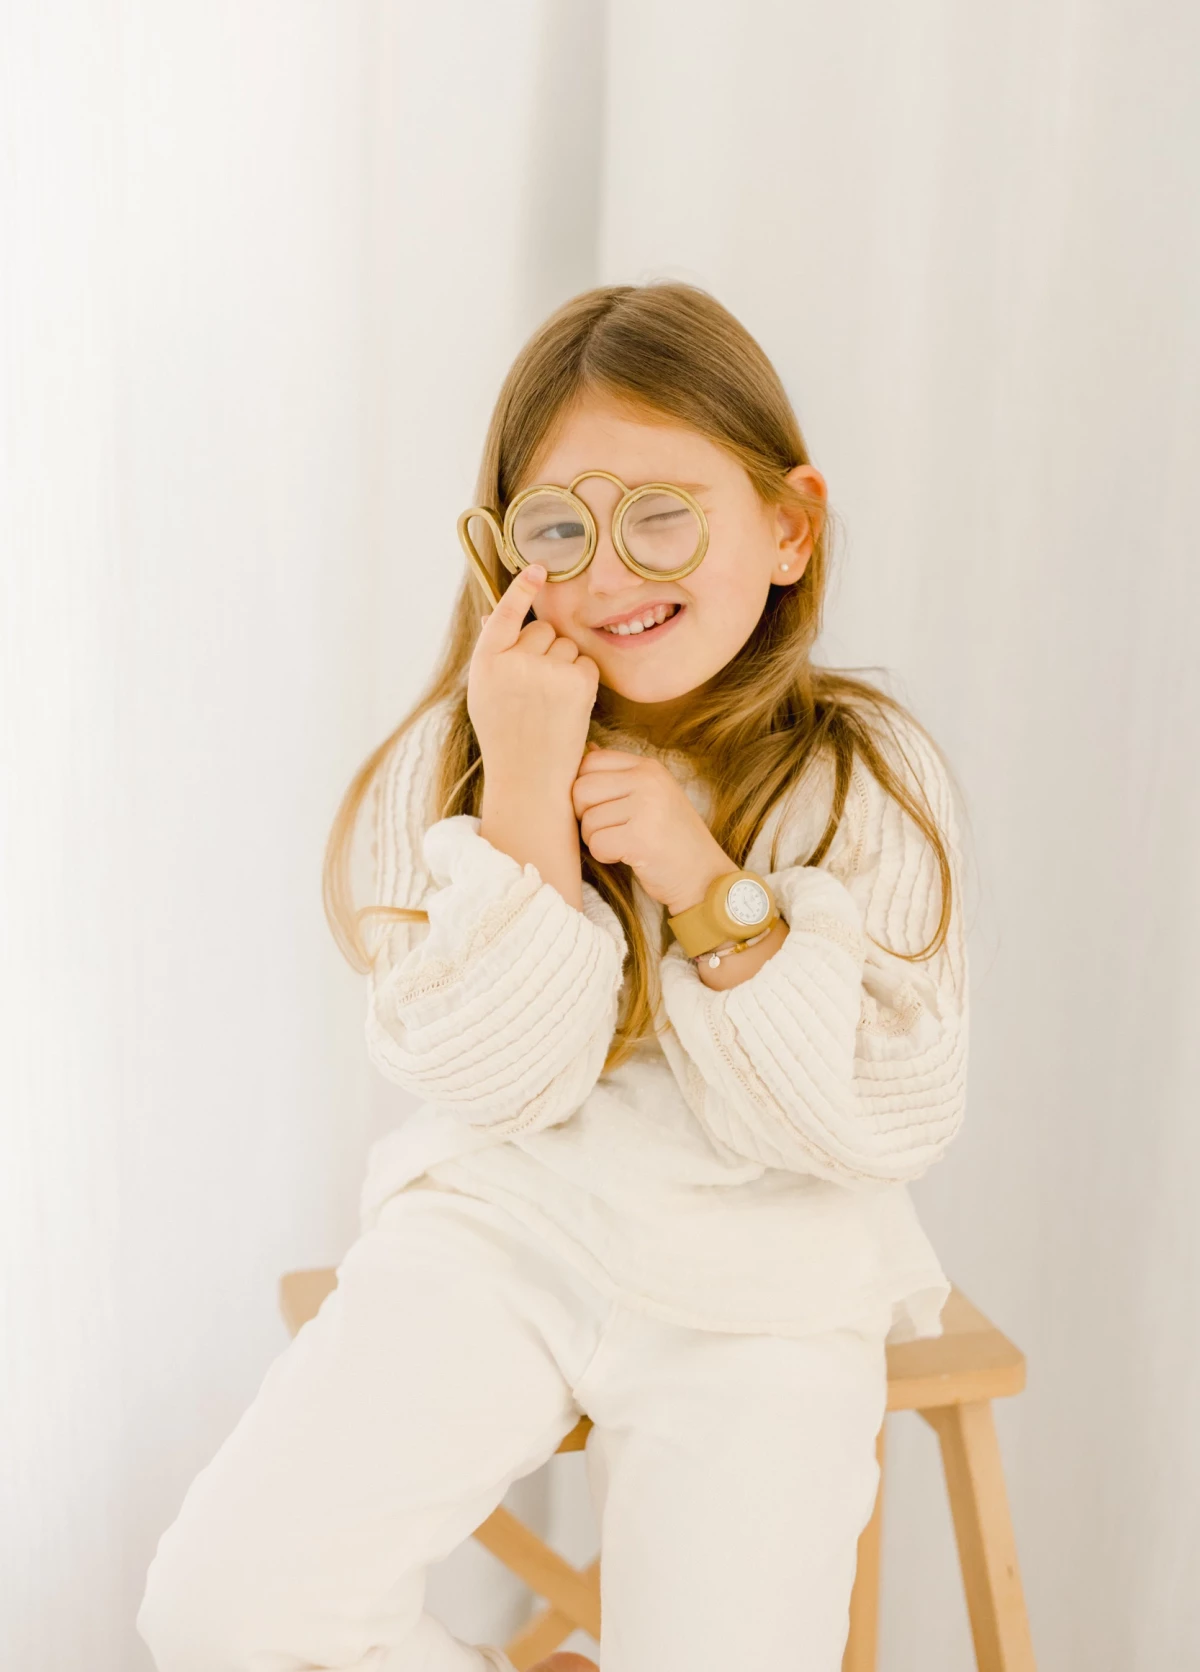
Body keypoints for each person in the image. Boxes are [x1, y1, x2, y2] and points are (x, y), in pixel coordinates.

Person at [137, 283, 968, 1672]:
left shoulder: (862, 773)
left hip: (766, 1279)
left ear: (787, 525)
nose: (610, 573)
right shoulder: (454, 756)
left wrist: (708, 885)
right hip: (502, 1228)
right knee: (227, 1609)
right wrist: (523, 784)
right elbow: (497, 1085)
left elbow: (888, 1114)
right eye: (558, 527)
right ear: (502, 546)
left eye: (663, 514)